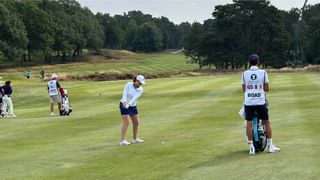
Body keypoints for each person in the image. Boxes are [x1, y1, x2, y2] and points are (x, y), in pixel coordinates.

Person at [241, 54, 280, 155]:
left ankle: (251, 148)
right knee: (266, 122)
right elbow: (267, 89)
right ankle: (270, 146)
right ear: (258, 62)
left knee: (248, 124)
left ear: (249, 62)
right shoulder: (263, 73)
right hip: (260, 101)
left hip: (249, 102)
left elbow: (244, 89)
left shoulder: (244, 73)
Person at [119, 75, 145, 145]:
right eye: (140, 82)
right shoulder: (128, 84)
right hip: (123, 104)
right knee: (126, 122)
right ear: (136, 80)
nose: (141, 84)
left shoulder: (140, 89)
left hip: (132, 105)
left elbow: (134, 98)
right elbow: (124, 94)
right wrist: (124, 102)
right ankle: (123, 141)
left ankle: (135, 139)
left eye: (141, 83)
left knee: (136, 122)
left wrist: (129, 104)